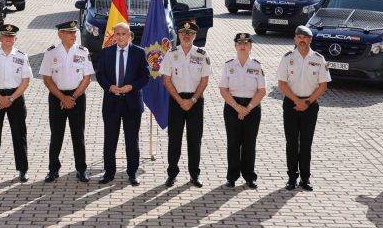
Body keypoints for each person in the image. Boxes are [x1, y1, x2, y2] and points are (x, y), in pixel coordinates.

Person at [95, 22, 150, 185]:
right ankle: (109, 172)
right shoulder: (106, 52)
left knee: (132, 140)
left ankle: (132, 173)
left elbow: (145, 76)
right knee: (110, 139)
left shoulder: (139, 53)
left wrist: (131, 87)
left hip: (132, 103)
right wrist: (109, 87)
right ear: (114, 36)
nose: (120, 37)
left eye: (123, 34)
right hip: (111, 103)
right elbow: (100, 75)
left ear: (129, 35)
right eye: (117, 34)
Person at [39, 20, 94, 183]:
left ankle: (81, 170)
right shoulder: (51, 53)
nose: (73, 35)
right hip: (57, 97)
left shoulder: (83, 51)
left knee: (78, 135)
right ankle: (53, 170)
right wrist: (63, 98)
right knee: (56, 135)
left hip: (77, 97)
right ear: (60, 34)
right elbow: (47, 79)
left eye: (74, 32)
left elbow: (87, 78)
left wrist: (73, 97)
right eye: (70, 33)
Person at [277, 25, 330, 191]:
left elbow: (323, 86)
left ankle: (305, 179)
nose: (302, 40)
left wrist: (307, 102)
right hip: (291, 104)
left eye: (305, 37)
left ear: (310, 40)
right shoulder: (287, 58)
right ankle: (292, 178)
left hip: (310, 105)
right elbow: (282, 84)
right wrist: (296, 101)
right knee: (292, 143)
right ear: (295, 39)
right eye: (299, 37)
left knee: (306, 143)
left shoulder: (319, 59)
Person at [161, 21, 210, 188]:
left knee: (194, 139)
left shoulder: (202, 54)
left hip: (196, 101)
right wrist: (180, 100)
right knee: (174, 139)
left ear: (195, 36)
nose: (186, 36)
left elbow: (204, 81)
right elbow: (166, 80)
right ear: (179, 35)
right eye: (183, 33)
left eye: (190, 33)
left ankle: (194, 175)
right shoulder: (171, 54)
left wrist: (193, 100)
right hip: (176, 100)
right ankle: (172, 174)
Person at [0, 24, 32, 183]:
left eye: (12, 37)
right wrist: (0, 98)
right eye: (6, 36)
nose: (8, 39)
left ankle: (23, 170)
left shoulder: (22, 56)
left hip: (15, 97)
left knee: (19, 134)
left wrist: (10, 99)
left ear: (15, 38)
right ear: (0, 38)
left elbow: (25, 82)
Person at [218, 32, 266, 189]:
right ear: (235, 46)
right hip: (233, 106)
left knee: (249, 143)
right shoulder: (229, 65)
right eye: (240, 43)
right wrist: (237, 107)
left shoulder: (257, 66)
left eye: (246, 43)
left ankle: (249, 176)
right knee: (233, 143)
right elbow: (223, 89)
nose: (243, 46)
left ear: (251, 47)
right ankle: (231, 177)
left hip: (252, 107)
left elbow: (262, 91)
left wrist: (248, 108)